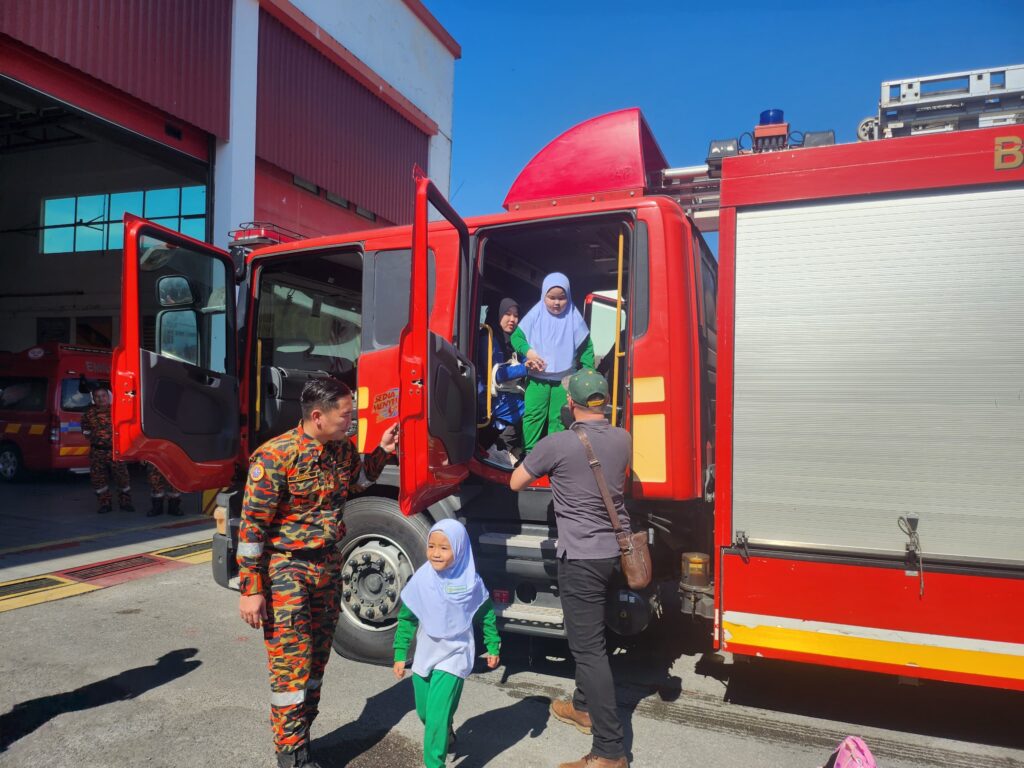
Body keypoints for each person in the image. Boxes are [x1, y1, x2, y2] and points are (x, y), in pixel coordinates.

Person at [238, 378, 399, 768]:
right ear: (317, 416)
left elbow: (358, 482)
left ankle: (303, 738)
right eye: (345, 415)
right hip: (286, 569)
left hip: (327, 566)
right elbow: (252, 528)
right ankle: (291, 755)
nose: (351, 422)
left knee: (315, 662)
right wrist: (251, 588)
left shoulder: (341, 449)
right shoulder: (275, 457)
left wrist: (382, 451)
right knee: (291, 665)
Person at [510, 369, 632, 768]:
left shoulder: (557, 443)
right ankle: (582, 707)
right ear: (604, 401)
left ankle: (610, 751)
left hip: (580, 558)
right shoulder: (623, 438)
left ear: (570, 404)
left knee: (589, 649)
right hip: (613, 554)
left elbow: (515, 482)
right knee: (593, 635)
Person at [393, 519, 501, 768]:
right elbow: (407, 618)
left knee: (436, 716)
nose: (435, 553)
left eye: (444, 548)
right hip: (426, 653)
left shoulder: (471, 583)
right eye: (431, 546)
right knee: (425, 712)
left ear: (460, 550)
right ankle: (445, 729)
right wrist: (400, 653)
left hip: (455, 654)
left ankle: (435, 763)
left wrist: (492, 645)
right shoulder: (421, 580)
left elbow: (485, 614)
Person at [510, 273, 595, 452]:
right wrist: (529, 352)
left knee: (558, 419)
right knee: (533, 416)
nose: (556, 303)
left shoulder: (574, 317)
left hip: (564, 381)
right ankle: (530, 455)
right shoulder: (534, 315)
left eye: (562, 298)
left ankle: (554, 456)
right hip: (537, 379)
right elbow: (517, 337)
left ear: (568, 297)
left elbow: (586, 347)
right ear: (543, 295)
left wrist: (589, 373)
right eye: (551, 297)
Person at [477, 297, 528, 459]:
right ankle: (500, 447)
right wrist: (526, 368)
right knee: (532, 411)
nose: (512, 319)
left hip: (507, 393)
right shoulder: (488, 337)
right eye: (507, 314)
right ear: (498, 315)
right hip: (491, 397)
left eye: (516, 315)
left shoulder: (514, 340)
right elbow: (498, 375)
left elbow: (526, 357)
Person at [80, 386, 134, 515]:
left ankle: (125, 503)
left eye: (103, 395)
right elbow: (85, 430)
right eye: (97, 396)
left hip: (115, 452)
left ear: (108, 396)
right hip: (97, 452)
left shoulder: (117, 411)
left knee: (122, 478)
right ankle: (105, 504)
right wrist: (96, 437)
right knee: (98, 479)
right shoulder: (88, 414)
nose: (101, 398)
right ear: (94, 398)